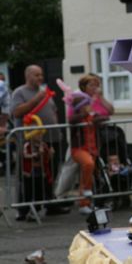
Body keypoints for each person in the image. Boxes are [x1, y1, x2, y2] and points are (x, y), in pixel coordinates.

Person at [10, 65, 69, 217]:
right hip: (29, 141)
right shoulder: (20, 92)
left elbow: (54, 111)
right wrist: (36, 99)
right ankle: (23, 208)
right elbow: (17, 112)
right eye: (36, 75)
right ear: (27, 76)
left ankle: (50, 204)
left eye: (41, 75)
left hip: (50, 139)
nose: (40, 78)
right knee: (28, 175)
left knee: (50, 172)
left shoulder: (45, 93)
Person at [70, 75, 110, 215]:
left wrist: (101, 118)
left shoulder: (93, 101)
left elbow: (104, 113)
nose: (95, 88)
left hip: (92, 145)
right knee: (88, 165)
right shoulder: (78, 99)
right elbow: (71, 119)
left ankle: (85, 203)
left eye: (96, 85)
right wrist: (83, 114)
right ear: (84, 87)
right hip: (79, 147)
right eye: (91, 85)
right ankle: (82, 199)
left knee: (90, 174)